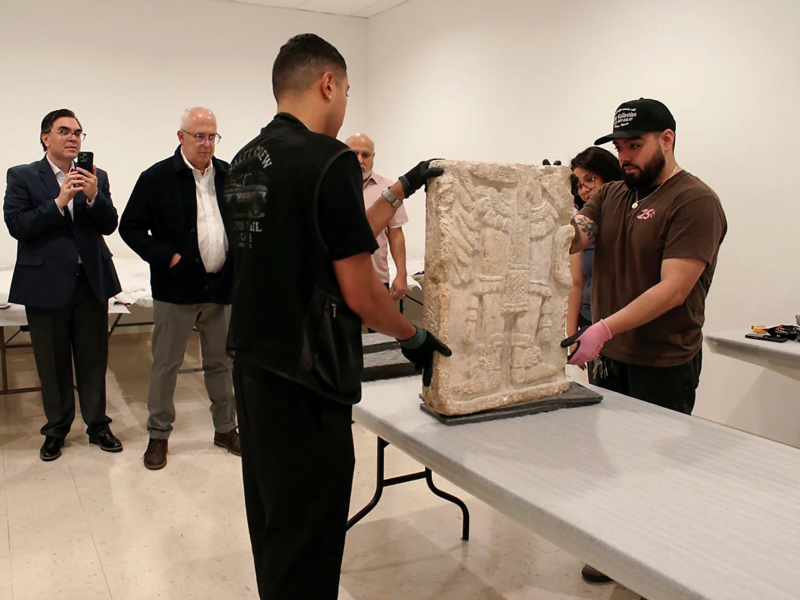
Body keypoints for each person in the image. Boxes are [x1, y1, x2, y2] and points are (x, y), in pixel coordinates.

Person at [225, 33, 450, 600]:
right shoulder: (330, 159)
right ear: (328, 84)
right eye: (346, 90)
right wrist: (413, 336)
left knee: (273, 521)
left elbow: (329, 238)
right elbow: (361, 291)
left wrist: (400, 189)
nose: (345, 101)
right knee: (311, 533)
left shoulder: (244, 160)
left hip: (253, 366)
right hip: (308, 376)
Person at [564, 98, 727, 588]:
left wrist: (602, 328)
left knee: (655, 472)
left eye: (635, 146)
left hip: (662, 361)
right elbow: (575, 237)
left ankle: (655, 569)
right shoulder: (613, 194)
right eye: (619, 147)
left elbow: (673, 288)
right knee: (609, 462)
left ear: (667, 139)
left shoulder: (694, 201)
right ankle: (616, 549)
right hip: (611, 359)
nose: (625, 156)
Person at [119, 108, 238, 471]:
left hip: (220, 287)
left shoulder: (229, 174)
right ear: (181, 136)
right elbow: (130, 227)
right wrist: (166, 257)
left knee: (221, 363)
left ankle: (226, 429)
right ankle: (158, 435)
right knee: (166, 365)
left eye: (212, 136)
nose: (207, 143)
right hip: (175, 290)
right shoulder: (156, 178)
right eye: (199, 135)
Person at [3, 109, 123, 461]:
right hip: (45, 283)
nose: (73, 138)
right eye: (64, 131)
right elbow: (18, 225)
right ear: (46, 137)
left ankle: (98, 426)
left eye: (78, 132)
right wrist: (59, 203)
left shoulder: (95, 175)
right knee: (52, 362)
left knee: (93, 359)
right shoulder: (23, 176)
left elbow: (108, 224)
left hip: (90, 282)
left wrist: (94, 196)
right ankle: (56, 430)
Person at [566, 147, 622, 384]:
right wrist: (571, 335)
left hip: (623, 327)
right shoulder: (582, 228)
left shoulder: (628, 219)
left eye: (591, 179)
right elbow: (576, 284)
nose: (585, 189)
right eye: (579, 185)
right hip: (591, 324)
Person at [346, 133, 409, 307]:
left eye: (365, 155)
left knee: (380, 325)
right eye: (354, 154)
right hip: (340, 279)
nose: (360, 160)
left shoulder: (388, 189)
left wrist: (401, 274)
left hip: (377, 279)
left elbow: (395, 234)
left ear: (373, 156)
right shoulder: (332, 186)